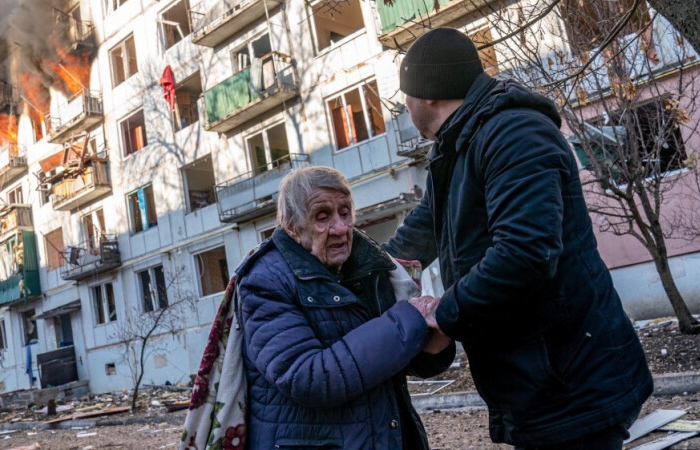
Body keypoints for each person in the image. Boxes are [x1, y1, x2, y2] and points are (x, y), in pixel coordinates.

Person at [383, 28, 654, 449]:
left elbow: (524, 254)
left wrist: (443, 313)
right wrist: (345, 269)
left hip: (568, 376)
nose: (405, 106)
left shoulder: (514, 134)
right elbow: (417, 236)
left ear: (429, 93)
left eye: (406, 96)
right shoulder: (457, 148)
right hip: (536, 377)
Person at [235, 166, 455, 449]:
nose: (340, 228)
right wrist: (410, 318)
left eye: (345, 212)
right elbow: (307, 377)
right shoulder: (265, 280)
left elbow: (385, 358)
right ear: (291, 225)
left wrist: (431, 346)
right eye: (322, 217)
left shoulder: (369, 265)